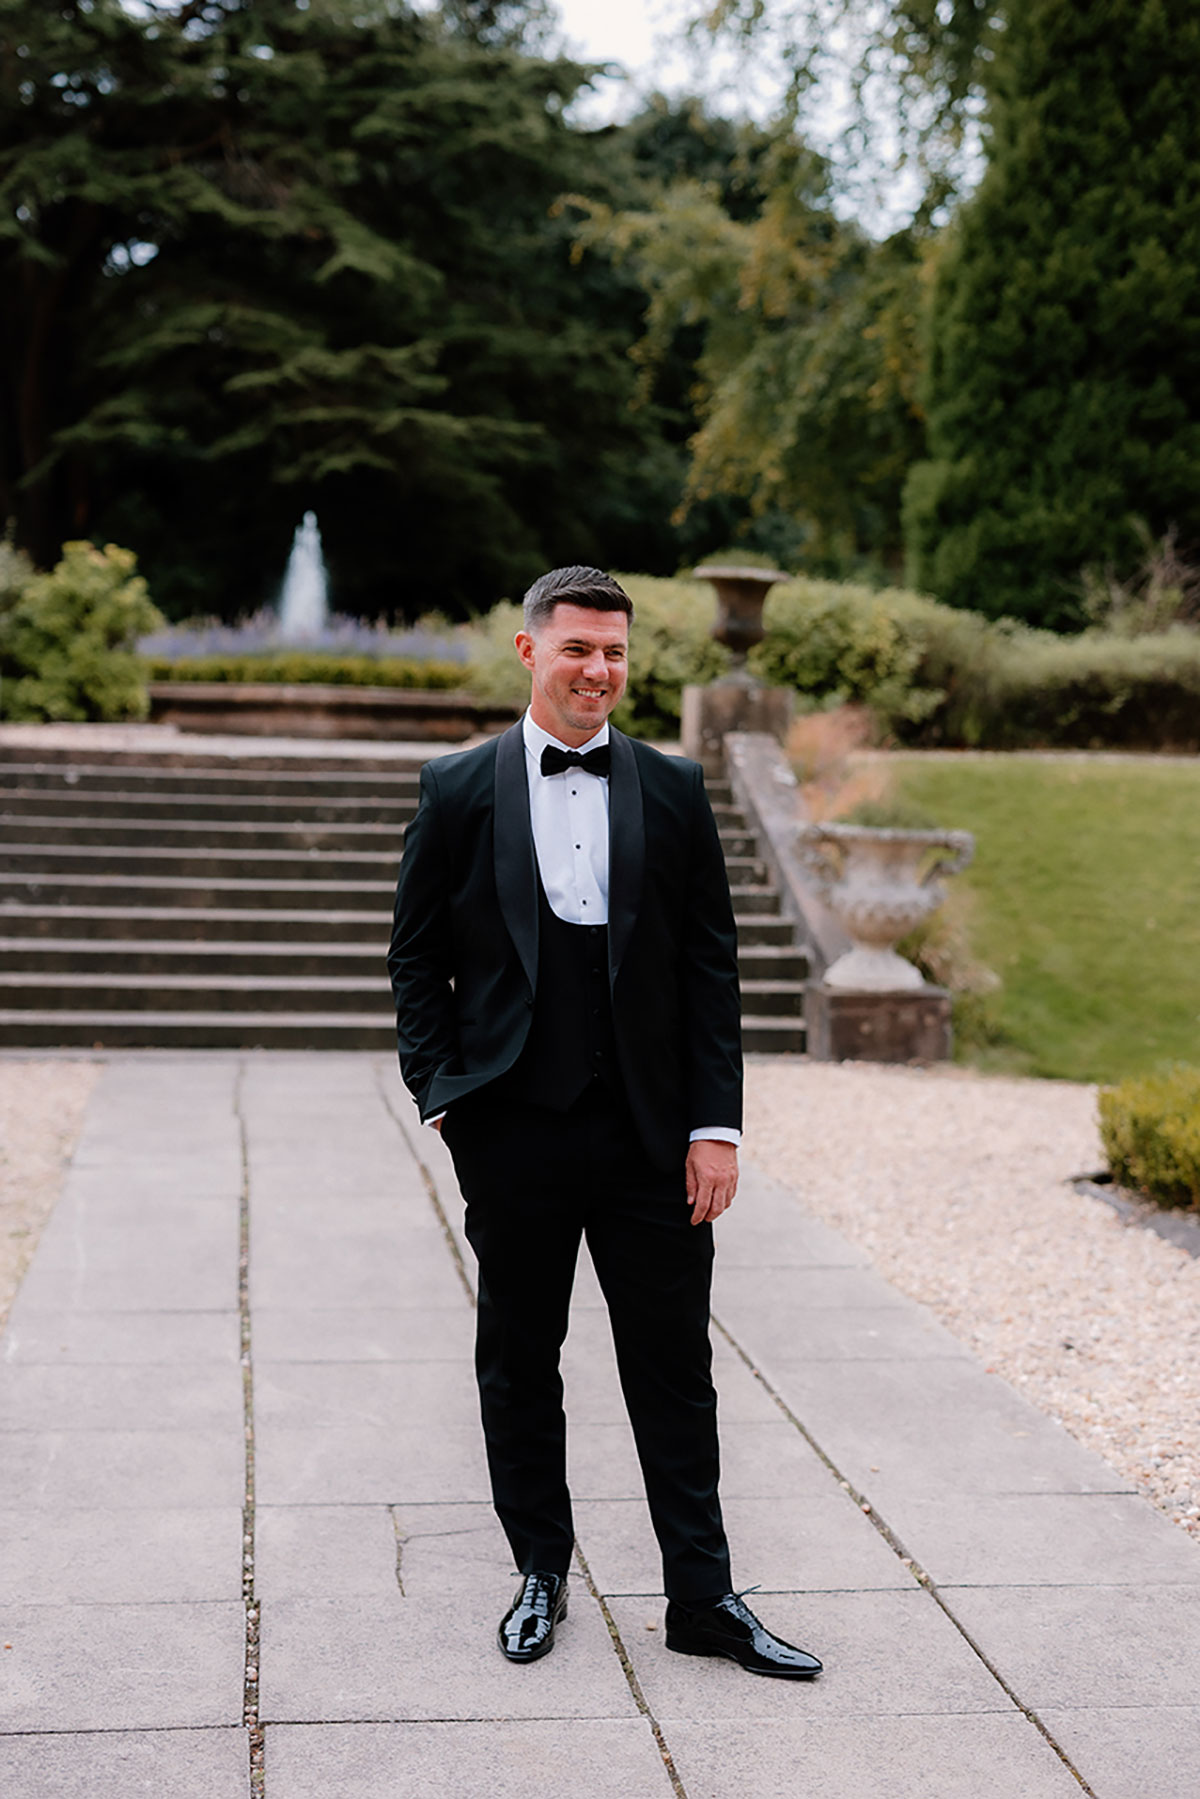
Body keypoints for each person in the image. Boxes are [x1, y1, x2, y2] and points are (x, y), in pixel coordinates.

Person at [388, 565, 821, 1679]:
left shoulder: (674, 789)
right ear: (530, 652)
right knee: (519, 1359)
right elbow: (417, 956)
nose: (600, 670)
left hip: (651, 1135)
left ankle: (703, 1596)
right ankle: (541, 1569)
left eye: (615, 651)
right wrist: (443, 1090)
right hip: (514, 1129)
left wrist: (715, 1125)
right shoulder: (456, 787)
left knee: (674, 1366)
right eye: (579, 648)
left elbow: (708, 967)